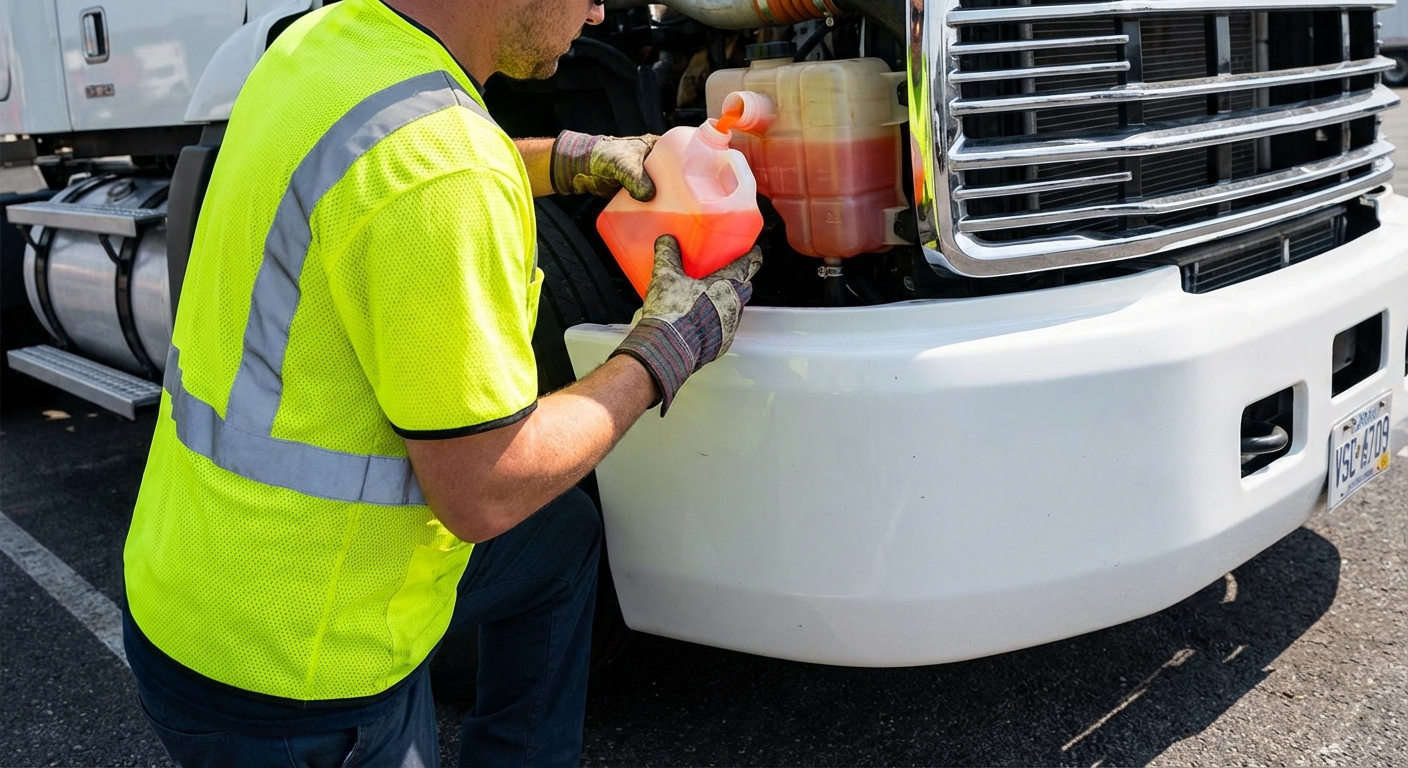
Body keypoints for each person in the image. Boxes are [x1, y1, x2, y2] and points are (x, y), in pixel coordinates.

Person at [119, 0, 762, 764]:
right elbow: (484, 491)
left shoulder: (325, 45)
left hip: (196, 590)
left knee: (559, 543)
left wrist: (569, 156)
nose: (597, 11)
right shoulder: (446, 167)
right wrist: (664, 347)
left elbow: (391, 162)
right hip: (303, 676)